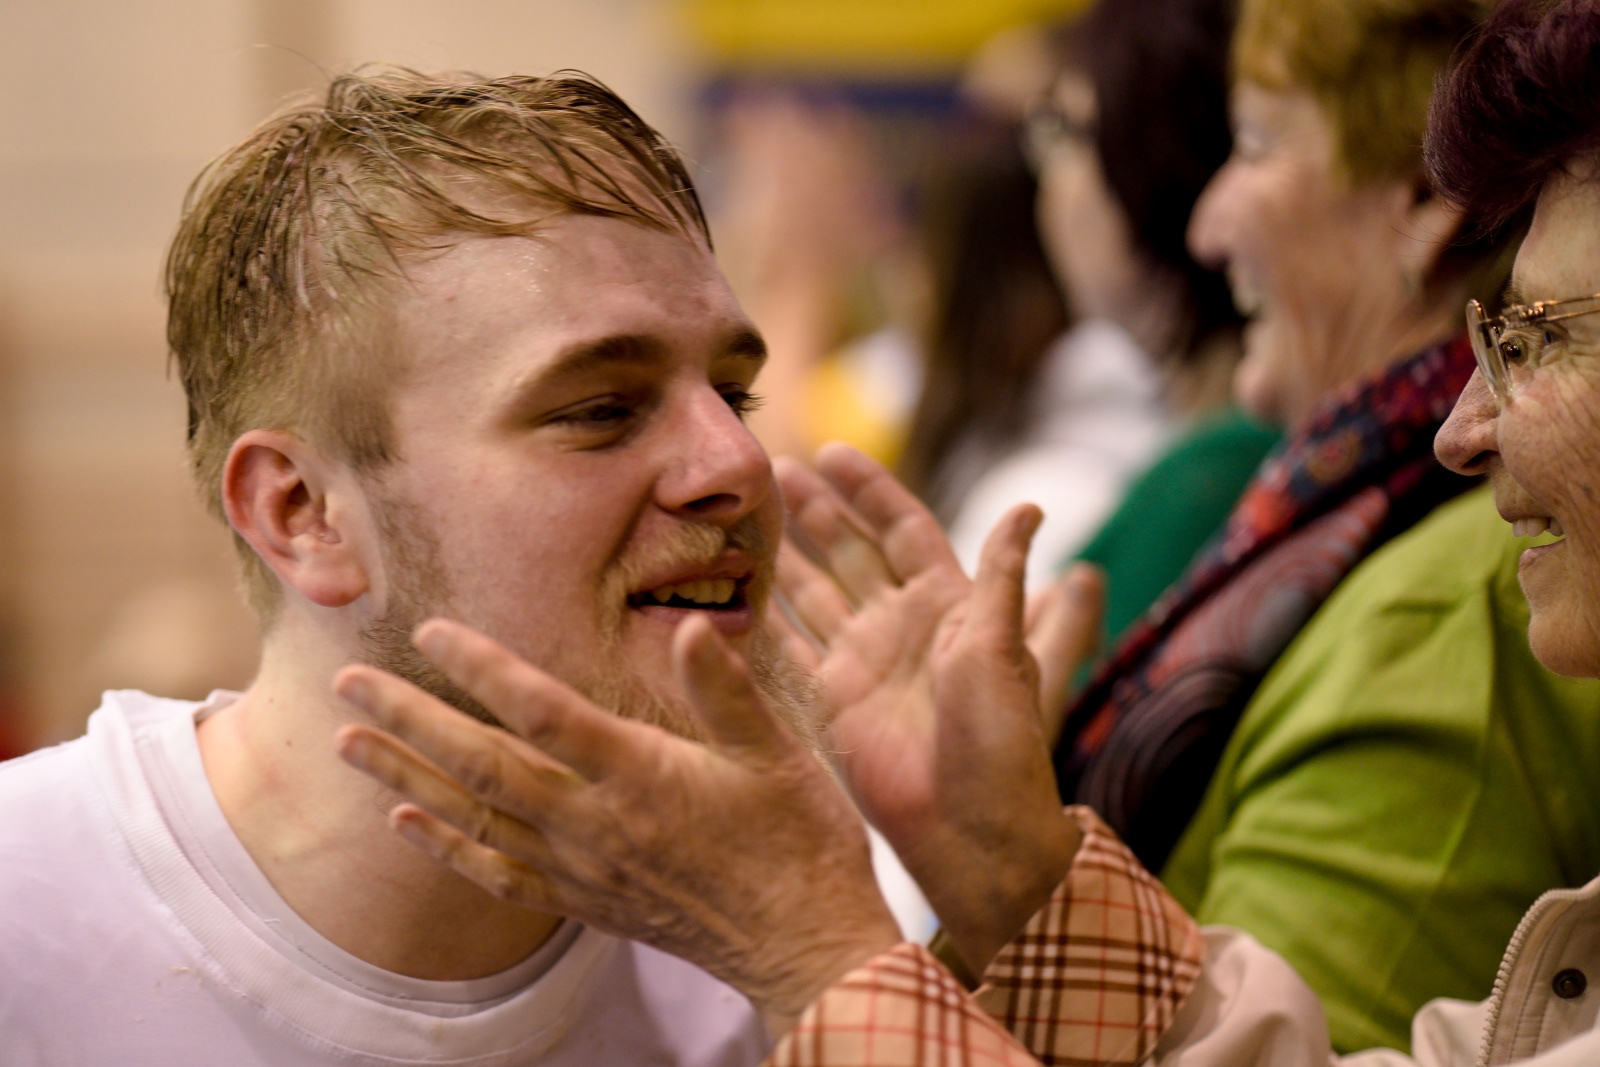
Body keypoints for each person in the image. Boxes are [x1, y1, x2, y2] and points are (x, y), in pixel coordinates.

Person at [330, 7, 1600, 1062]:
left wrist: (809, 942)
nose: (1464, 426)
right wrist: (1009, 871)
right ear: (298, 511)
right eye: (601, 409)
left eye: (1537, 338)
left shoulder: (1418, 583)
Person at [0, 68, 936, 1064]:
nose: (739, 464)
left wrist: (1001, 892)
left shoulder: (789, 944)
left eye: (735, 395)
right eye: (601, 409)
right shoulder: (30, 914)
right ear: (304, 513)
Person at [1051, 0, 1600, 1050]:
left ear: (1421, 202)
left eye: (1255, 141)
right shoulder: (1352, 529)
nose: (1204, 222)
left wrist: (849, 928)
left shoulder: (1435, 605)